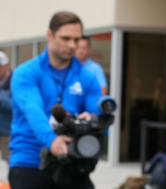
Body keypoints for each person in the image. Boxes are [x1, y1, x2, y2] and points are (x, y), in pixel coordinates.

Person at [9, 11, 102, 189]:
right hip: (30, 163)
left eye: (76, 39)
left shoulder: (87, 77)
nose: (72, 45)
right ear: (49, 35)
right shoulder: (26, 73)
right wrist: (52, 141)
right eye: (65, 38)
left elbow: (95, 111)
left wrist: (92, 118)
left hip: (71, 163)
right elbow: (33, 110)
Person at [0, 50, 12, 164]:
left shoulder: (16, 81)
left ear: (6, 66)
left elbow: (18, 106)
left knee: (7, 165)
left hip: (7, 134)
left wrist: (2, 100)